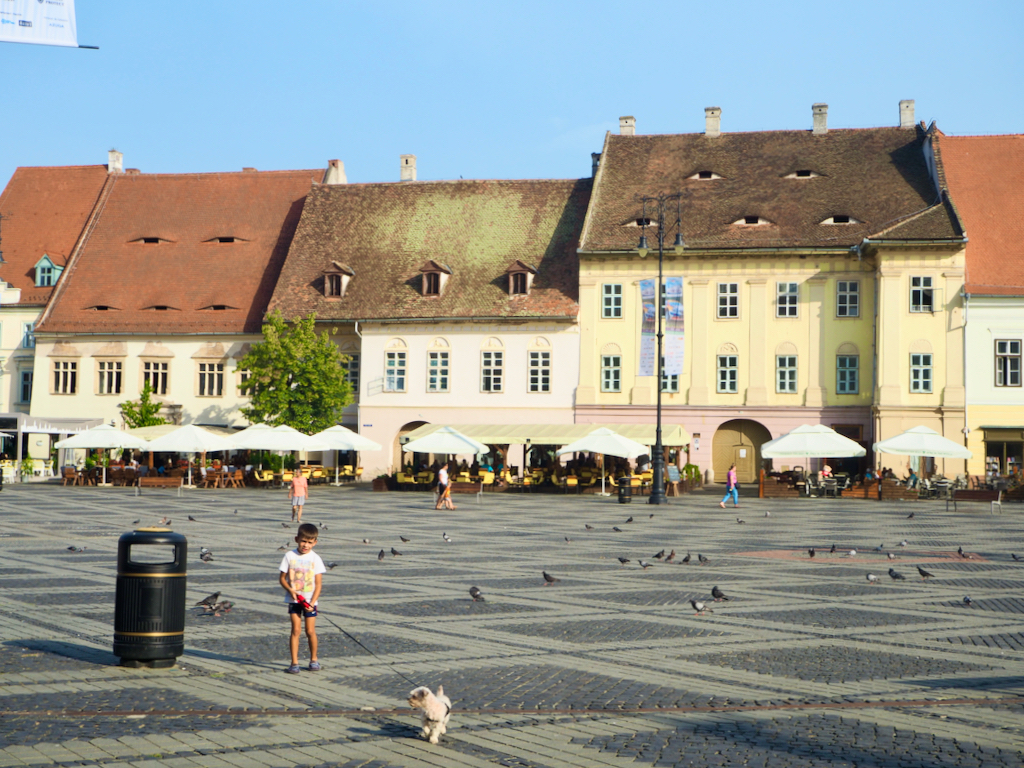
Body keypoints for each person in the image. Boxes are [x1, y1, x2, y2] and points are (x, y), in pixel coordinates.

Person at [278, 523, 325, 674]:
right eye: (303, 541)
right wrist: (290, 590)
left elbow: (318, 585)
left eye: (310, 542)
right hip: (294, 601)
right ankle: (294, 663)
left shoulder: (315, 558)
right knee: (295, 630)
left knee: (310, 631)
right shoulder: (289, 556)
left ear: (315, 543)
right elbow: (282, 579)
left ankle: (314, 659)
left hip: (310, 601)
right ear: (297, 539)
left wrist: (312, 603)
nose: (306, 545)